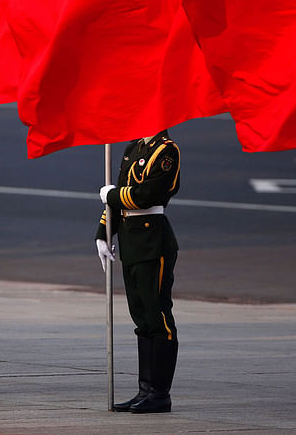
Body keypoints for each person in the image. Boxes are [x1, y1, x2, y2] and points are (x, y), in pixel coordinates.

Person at [95, 129, 180, 413]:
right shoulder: (134, 148)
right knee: (142, 319)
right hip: (131, 241)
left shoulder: (166, 150)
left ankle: (160, 393)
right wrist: (102, 233)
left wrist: (114, 195)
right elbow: (117, 198)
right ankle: (145, 389)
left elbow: (146, 195)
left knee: (157, 317)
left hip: (152, 240)